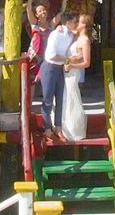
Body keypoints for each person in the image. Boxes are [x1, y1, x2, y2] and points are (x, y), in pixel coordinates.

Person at [41, 11, 79, 142]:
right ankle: (46, 129)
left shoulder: (70, 34)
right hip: (50, 67)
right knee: (48, 99)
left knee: (60, 99)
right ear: (68, 23)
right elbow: (51, 55)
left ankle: (58, 128)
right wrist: (68, 58)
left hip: (59, 69)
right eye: (75, 22)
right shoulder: (56, 35)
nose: (76, 24)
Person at [62, 14, 92, 141]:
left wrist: (72, 65)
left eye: (78, 22)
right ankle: (65, 128)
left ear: (84, 25)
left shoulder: (85, 40)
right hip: (69, 69)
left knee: (72, 97)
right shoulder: (77, 36)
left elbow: (86, 62)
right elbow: (67, 27)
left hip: (74, 71)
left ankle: (74, 129)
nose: (76, 24)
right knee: (66, 97)